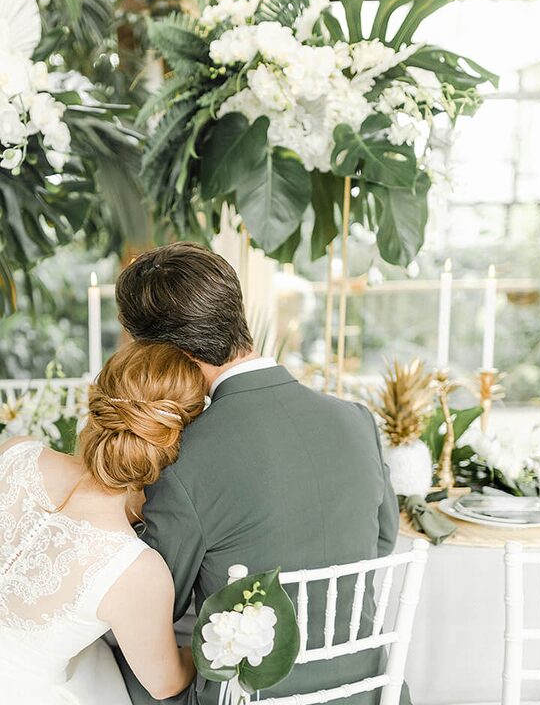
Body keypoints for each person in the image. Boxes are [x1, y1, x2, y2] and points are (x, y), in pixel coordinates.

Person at [114, 241, 402, 705]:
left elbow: (157, 604)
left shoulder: (182, 461)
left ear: (163, 352)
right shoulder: (356, 420)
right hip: (366, 690)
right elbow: (383, 544)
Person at [0, 341, 208, 704]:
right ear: (174, 444)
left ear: (97, 399)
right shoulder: (137, 570)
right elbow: (164, 683)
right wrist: (207, 651)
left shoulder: (12, 455)